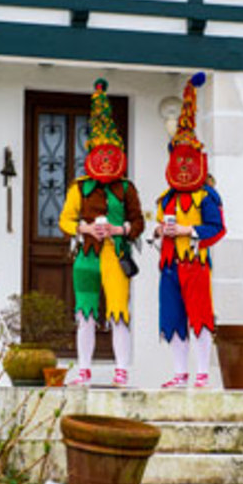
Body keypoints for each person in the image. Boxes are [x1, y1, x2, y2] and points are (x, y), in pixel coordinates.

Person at [59, 79, 145, 387]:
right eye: (101, 153)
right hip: (86, 256)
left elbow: (139, 223)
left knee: (120, 312)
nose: (107, 160)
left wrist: (119, 229)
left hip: (116, 255)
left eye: (111, 154)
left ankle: (121, 370)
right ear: (92, 153)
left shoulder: (126, 188)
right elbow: (65, 220)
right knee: (85, 313)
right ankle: (83, 370)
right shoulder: (79, 187)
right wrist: (84, 227)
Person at [155, 73, 226, 389]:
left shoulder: (206, 195)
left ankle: (201, 373)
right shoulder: (166, 197)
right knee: (172, 317)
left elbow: (217, 227)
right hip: (169, 263)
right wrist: (160, 231)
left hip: (195, 262)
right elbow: (159, 226)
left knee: (199, 315)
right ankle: (180, 372)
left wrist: (188, 229)